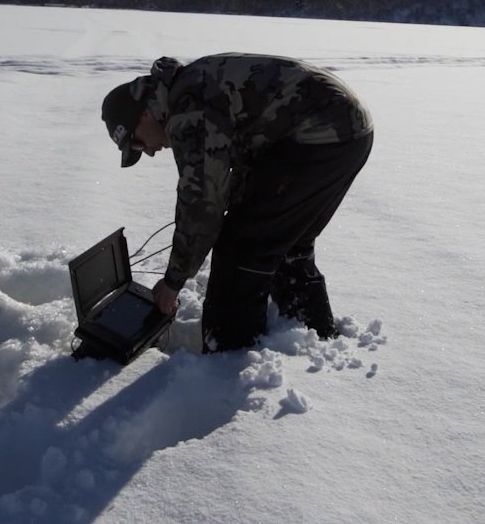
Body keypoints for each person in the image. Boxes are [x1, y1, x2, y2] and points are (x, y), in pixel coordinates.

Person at [100, 54, 373, 352]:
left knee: (241, 250)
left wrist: (173, 281)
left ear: (144, 116)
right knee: (288, 242)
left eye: (138, 143)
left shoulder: (188, 111)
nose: (149, 152)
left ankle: (228, 359)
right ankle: (311, 336)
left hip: (319, 135)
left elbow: (202, 202)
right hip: (348, 128)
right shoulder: (187, 86)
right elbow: (243, 153)